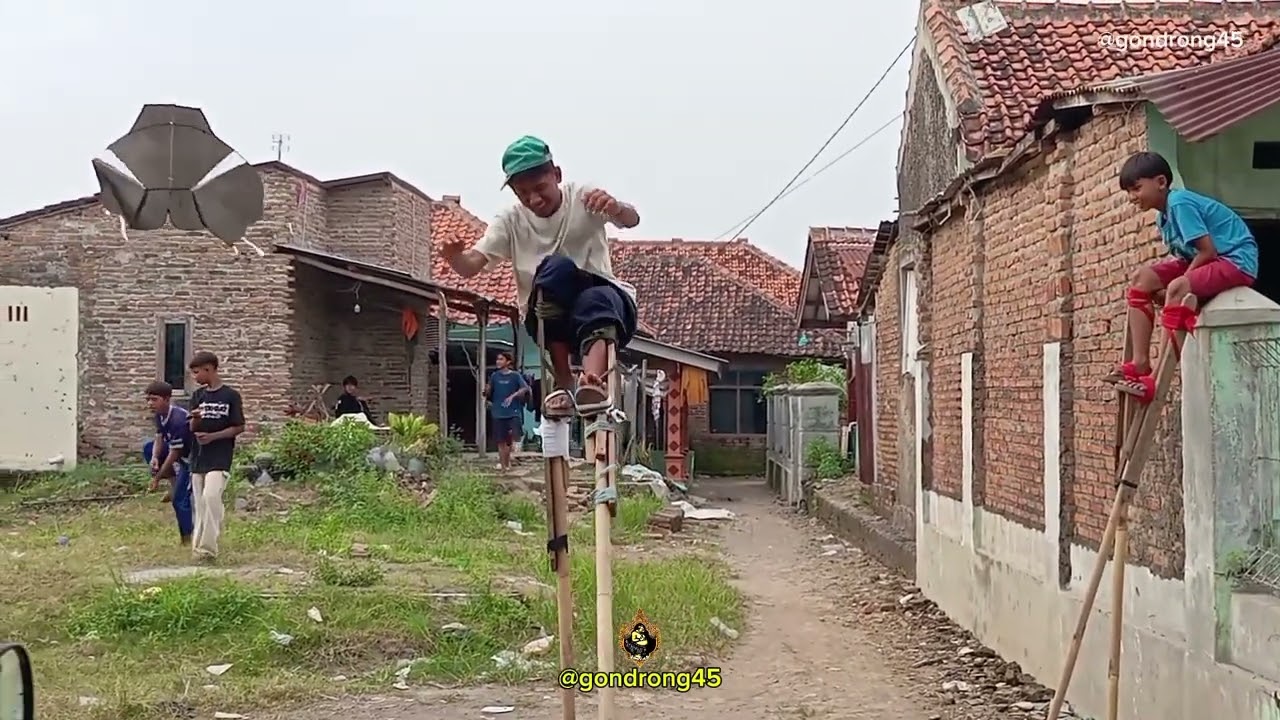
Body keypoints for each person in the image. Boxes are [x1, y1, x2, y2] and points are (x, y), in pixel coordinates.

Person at [439, 135, 640, 419]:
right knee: (554, 272)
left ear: (556, 175)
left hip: (609, 310)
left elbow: (631, 219)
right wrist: (455, 258)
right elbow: (471, 266)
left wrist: (615, 207)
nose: (533, 199)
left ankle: (592, 381)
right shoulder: (510, 221)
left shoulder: (584, 197)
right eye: (523, 194)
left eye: (540, 188)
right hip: (550, 317)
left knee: (591, 294)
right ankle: (565, 382)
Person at [1107, 151, 1257, 400]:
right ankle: (1141, 362)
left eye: (1136, 188)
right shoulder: (1162, 217)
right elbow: (1185, 257)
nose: (1133, 197)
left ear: (1161, 182)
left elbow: (1207, 251)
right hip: (1203, 259)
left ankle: (1155, 380)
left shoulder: (1180, 203)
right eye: (1129, 192)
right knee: (1140, 279)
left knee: (1177, 288)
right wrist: (1163, 286)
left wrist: (1177, 288)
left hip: (1234, 260)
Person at [186, 351, 245, 561]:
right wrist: (195, 420)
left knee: (211, 497)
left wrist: (213, 436)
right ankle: (198, 548)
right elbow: (191, 427)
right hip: (199, 456)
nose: (195, 377)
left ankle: (208, 549)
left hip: (220, 456)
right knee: (200, 505)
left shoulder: (230, 396)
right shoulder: (197, 396)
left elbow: (238, 427)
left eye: (196, 372)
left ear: (209, 369)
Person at [143, 381, 194, 546]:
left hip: (193, 460)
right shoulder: (159, 414)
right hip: (178, 454)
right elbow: (159, 437)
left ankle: (188, 537)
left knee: (179, 500)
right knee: (149, 447)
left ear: (167, 399)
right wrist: (154, 457)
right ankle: (173, 484)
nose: (150, 403)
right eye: (148, 399)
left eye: (154, 399)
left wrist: (157, 478)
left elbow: (174, 453)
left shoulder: (178, 419)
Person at [485, 351, 531, 471]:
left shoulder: (515, 376)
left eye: (501, 359)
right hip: (498, 412)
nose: (498, 362)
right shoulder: (494, 376)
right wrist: (487, 391)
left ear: (508, 362)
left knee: (510, 439)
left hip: (512, 412)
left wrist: (513, 396)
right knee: (500, 441)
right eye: (497, 359)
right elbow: (488, 393)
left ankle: (507, 462)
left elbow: (525, 388)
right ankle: (504, 467)